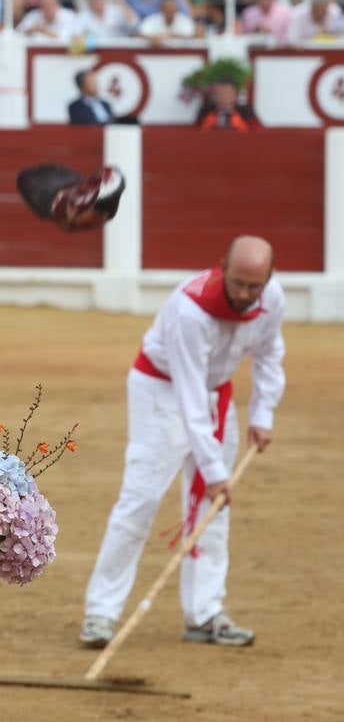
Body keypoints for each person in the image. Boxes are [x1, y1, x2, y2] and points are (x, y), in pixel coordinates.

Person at [81, 236, 285, 649]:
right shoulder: (189, 312)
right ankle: (100, 613)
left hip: (215, 393)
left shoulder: (272, 298)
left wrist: (262, 414)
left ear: (269, 279)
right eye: (238, 283)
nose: (245, 294)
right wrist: (213, 472)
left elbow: (269, 354)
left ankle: (206, 612)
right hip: (162, 391)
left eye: (254, 286)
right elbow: (190, 398)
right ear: (221, 268)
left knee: (215, 506)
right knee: (141, 498)